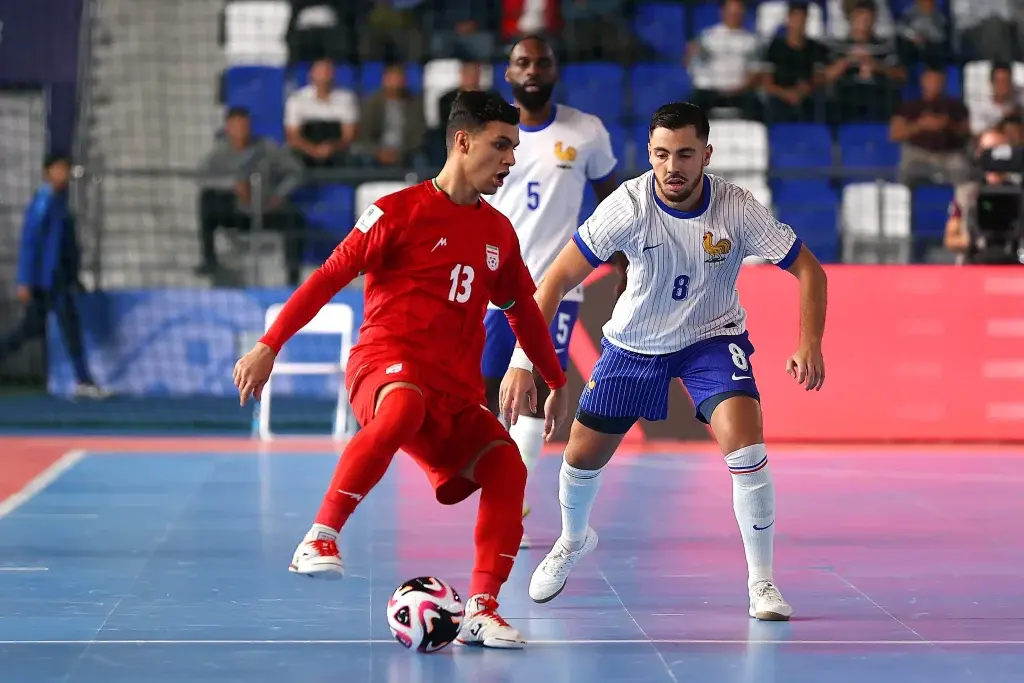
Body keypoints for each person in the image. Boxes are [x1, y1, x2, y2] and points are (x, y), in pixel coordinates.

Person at [232, 90, 570, 649]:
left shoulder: (500, 233)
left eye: (514, 147)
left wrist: (554, 379)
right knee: (404, 405)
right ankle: (320, 536)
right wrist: (270, 344)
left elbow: (525, 312)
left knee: (508, 466)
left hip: (454, 393)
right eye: (501, 145)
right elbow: (327, 278)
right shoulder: (396, 212)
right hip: (384, 368)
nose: (511, 159)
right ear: (463, 142)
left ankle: (483, 609)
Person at [500, 102, 828, 621]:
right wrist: (524, 359)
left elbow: (810, 270)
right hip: (634, 344)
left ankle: (762, 582)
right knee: (580, 459)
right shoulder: (627, 205)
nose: (671, 166)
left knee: (747, 449)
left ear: (706, 155)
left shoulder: (737, 208)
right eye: (660, 154)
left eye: (684, 154)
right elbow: (556, 280)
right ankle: (571, 540)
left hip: (712, 339)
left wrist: (809, 341)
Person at [482, 34, 624, 548]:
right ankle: (497, 480)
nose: (533, 69)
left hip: (556, 286)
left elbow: (615, 203)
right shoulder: (492, 133)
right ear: (508, 72)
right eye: (523, 61)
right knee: (486, 392)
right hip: (492, 283)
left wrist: (626, 263)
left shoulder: (586, 132)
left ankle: (509, 496)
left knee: (535, 391)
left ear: (555, 68)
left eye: (542, 60)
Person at [0, 153, 108, 399]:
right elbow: (30, 242)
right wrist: (25, 280)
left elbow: (66, 245)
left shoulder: (60, 203)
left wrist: (75, 276)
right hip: (46, 280)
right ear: (47, 171)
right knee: (53, 329)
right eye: (58, 169)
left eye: (65, 169)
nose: (63, 174)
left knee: (37, 329)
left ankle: (84, 380)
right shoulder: (43, 202)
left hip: (58, 278)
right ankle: (84, 380)